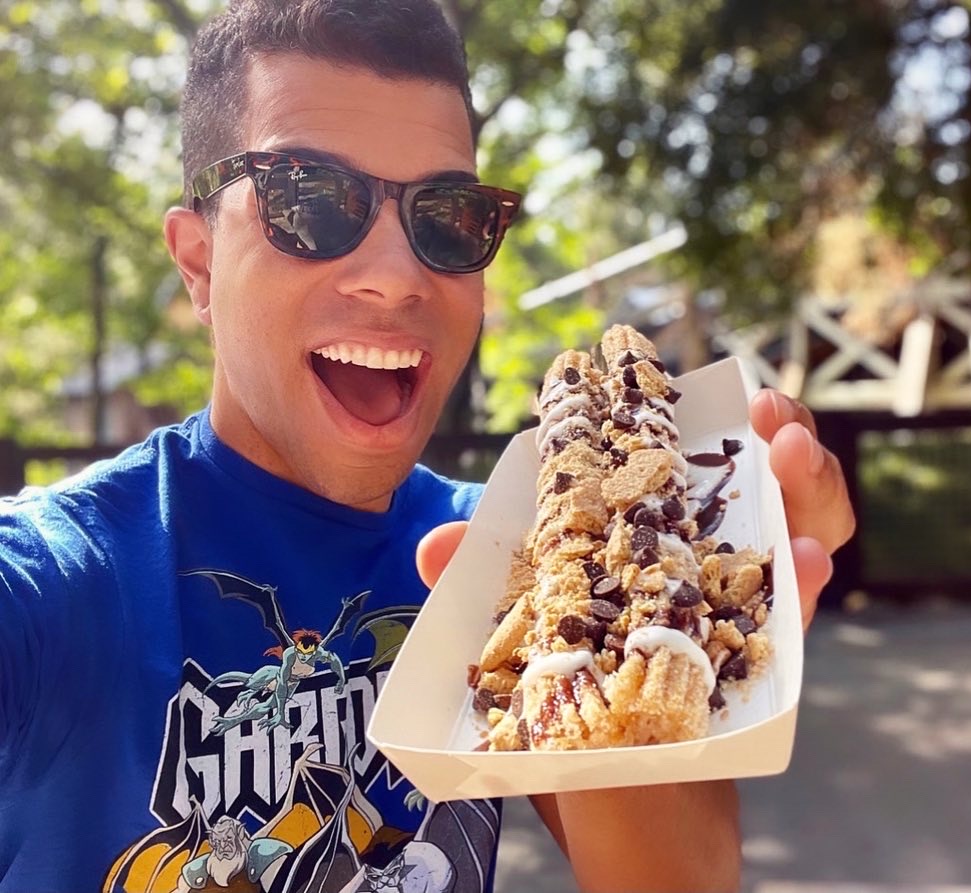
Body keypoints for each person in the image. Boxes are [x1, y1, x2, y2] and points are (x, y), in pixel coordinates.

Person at [0, 1, 854, 891]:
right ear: (199, 263)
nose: (397, 276)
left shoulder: (501, 567)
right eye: (311, 200)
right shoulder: (60, 576)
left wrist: (665, 622)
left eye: (448, 217)